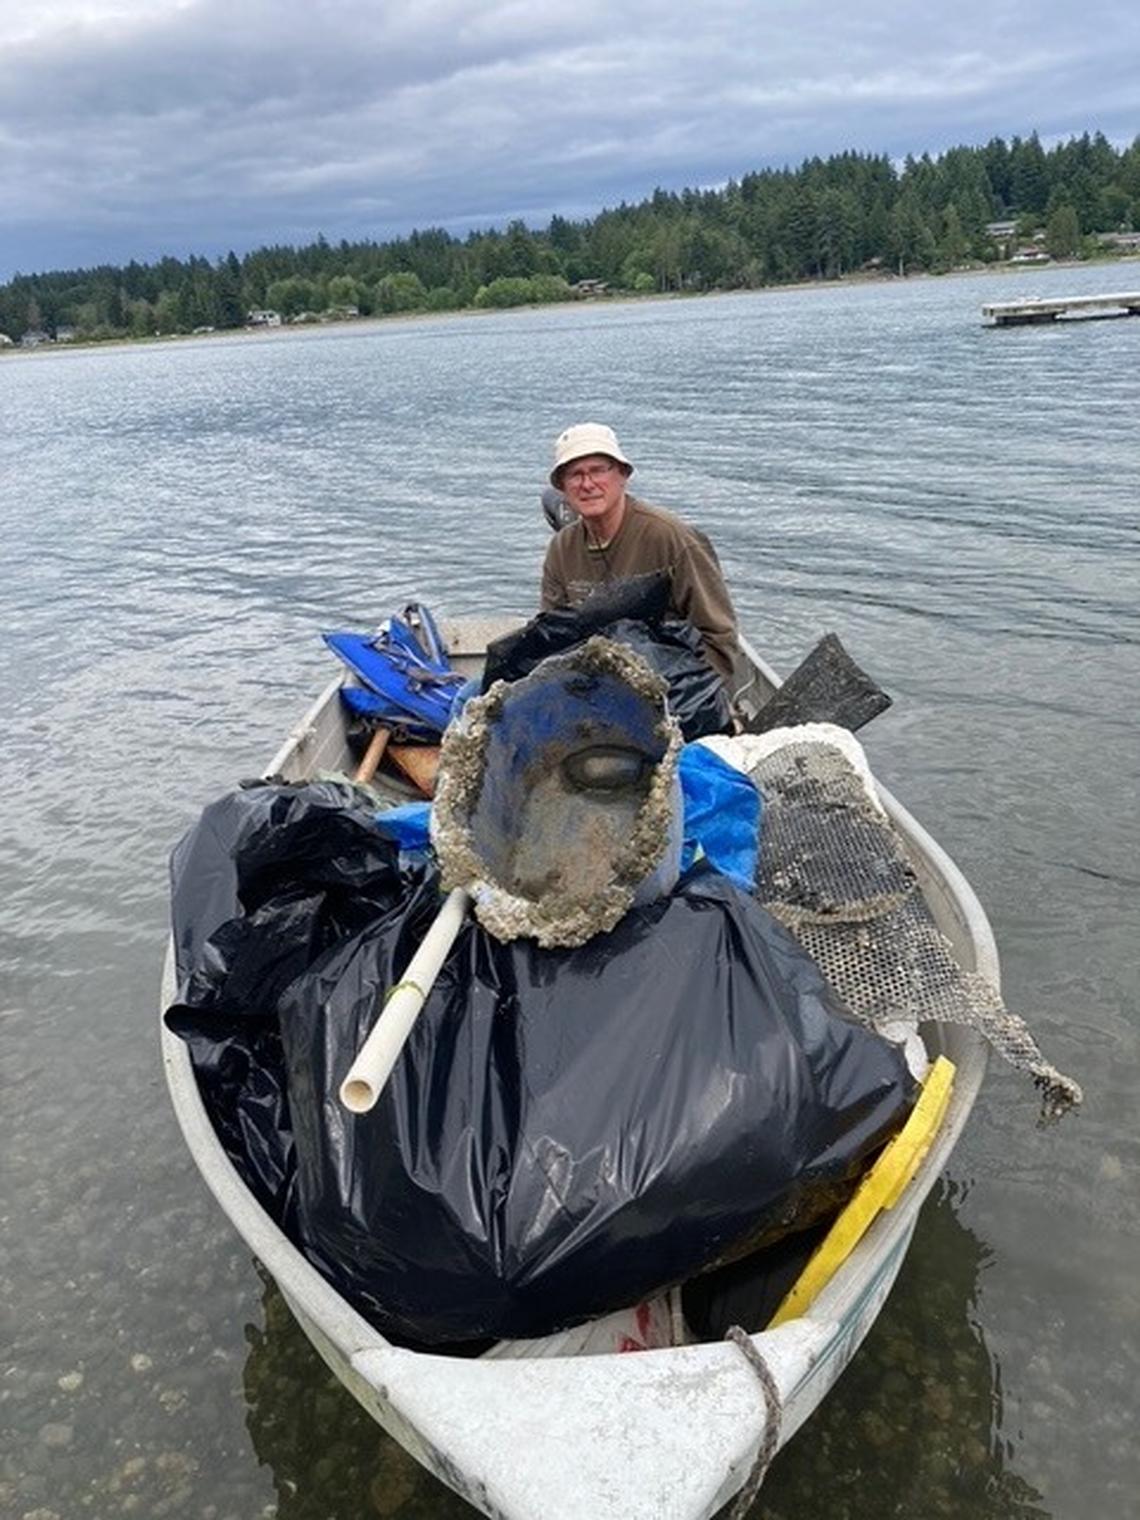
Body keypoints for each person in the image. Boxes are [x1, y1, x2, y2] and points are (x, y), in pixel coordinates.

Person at [540, 422, 739, 682]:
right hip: (597, 682)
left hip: (673, 685)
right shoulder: (561, 549)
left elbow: (718, 639)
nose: (587, 484)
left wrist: (682, 698)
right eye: (575, 475)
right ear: (563, 488)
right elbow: (551, 639)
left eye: (598, 470)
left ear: (623, 475)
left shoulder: (671, 538)